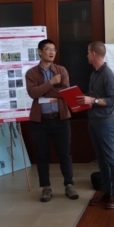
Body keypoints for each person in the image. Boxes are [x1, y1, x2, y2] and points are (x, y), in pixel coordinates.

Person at [25, 39, 78, 203]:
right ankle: (46, 188)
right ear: (40, 52)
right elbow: (33, 93)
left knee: (65, 154)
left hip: (60, 119)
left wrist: (44, 91)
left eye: (54, 49)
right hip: (40, 121)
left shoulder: (61, 70)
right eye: (48, 49)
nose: (52, 52)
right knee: (42, 155)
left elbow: (66, 91)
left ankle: (69, 185)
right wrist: (51, 83)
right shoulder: (31, 73)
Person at [77, 41, 114, 209]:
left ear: (94, 54)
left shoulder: (107, 74)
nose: (87, 55)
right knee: (101, 159)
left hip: (105, 123)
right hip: (94, 121)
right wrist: (83, 98)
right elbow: (94, 96)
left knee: (110, 158)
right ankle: (106, 191)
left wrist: (93, 100)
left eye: (88, 52)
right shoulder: (94, 73)